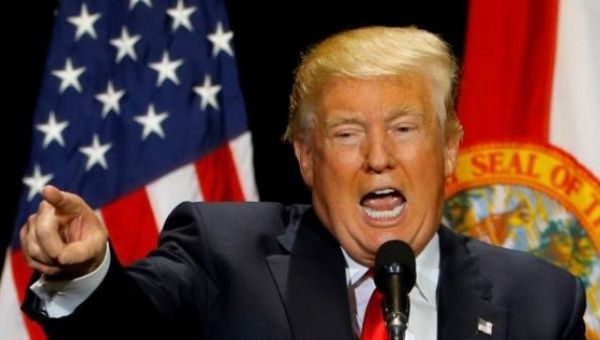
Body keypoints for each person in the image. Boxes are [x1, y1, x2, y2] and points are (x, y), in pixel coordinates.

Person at [20, 26, 586, 339]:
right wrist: (86, 272)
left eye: (405, 128)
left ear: (449, 148)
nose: (378, 158)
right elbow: (129, 330)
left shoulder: (539, 302)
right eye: (346, 134)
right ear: (307, 158)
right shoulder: (225, 253)